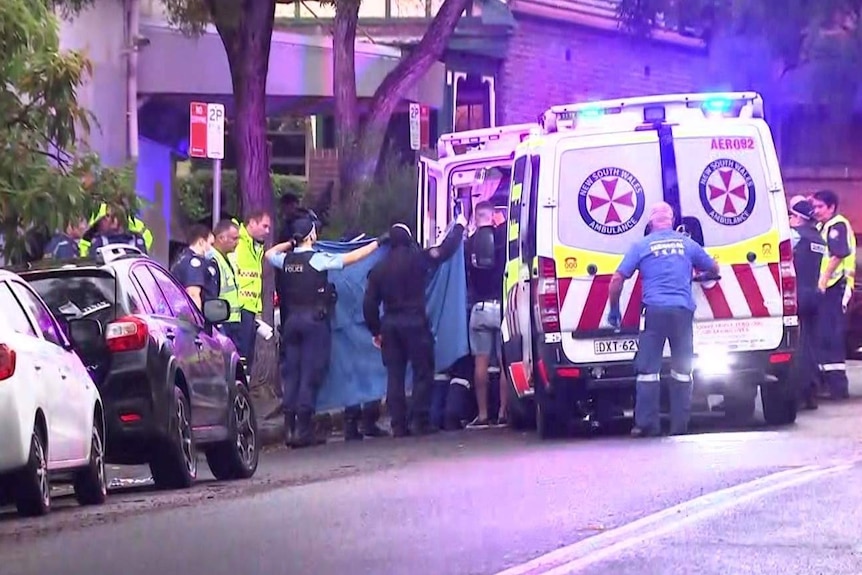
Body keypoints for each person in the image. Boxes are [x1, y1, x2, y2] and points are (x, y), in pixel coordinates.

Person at [265, 217, 383, 448]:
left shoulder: (286, 260)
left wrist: (290, 243)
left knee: (293, 375)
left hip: (291, 323)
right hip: (313, 323)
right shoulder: (318, 259)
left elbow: (269, 254)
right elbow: (351, 258)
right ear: (310, 236)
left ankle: (289, 430)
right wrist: (377, 244)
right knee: (310, 375)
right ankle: (303, 431)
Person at [608, 202, 718, 437]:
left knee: (648, 369)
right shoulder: (687, 243)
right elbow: (714, 268)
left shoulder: (641, 245)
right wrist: (698, 276)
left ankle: (647, 425)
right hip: (682, 312)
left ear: (650, 223)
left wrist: (614, 310)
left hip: (655, 312)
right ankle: (680, 426)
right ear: (672, 220)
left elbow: (617, 279)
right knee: (682, 370)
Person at [362, 216, 467, 437]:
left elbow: (369, 303)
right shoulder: (418, 258)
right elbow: (445, 251)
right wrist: (459, 227)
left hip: (390, 325)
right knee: (422, 372)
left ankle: (398, 424)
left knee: (395, 375)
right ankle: (420, 420)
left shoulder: (379, 269)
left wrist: (376, 330)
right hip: (416, 323)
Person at [338, 229, 386, 442]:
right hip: (366, 324)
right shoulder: (369, 265)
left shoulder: (340, 267)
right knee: (372, 373)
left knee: (353, 377)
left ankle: (353, 423)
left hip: (348, 327)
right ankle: (367, 421)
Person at [464, 201, 509, 429]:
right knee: (504, 363)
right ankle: (503, 412)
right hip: (501, 307)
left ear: (475, 218)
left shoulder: (469, 244)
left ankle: (482, 415)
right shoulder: (502, 240)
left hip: (479, 309)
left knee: (480, 363)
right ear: (492, 216)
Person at [811, 189, 856, 400]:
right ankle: (825, 383)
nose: (817, 210)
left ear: (831, 207)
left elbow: (838, 254)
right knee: (823, 334)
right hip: (827, 287)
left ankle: (838, 387)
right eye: (815, 207)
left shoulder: (837, 225)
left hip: (835, 286)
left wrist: (822, 280)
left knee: (832, 336)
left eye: (821, 207)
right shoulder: (824, 226)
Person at [788, 196, 827, 410]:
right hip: (814, 294)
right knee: (810, 345)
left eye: (792, 215)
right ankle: (812, 390)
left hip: (798, 296)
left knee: (797, 346)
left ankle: (800, 392)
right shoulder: (819, 239)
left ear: (799, 218)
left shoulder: (795, 237)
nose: (790, 219)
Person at [229, 210, 272, 372]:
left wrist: (258, 311)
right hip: (239, 308)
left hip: (250, 309)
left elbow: (253, 280)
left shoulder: (254, 245)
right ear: (252, 223)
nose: (268, 231)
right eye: (264, 226)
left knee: (247, 357)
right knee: (241, 357)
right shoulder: (238, 241)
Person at [209, 219, 243, 346]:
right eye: (234, 239)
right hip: (222, 322)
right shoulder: (212, 260)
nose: (237, 243)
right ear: (221, 238)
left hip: (231, 320)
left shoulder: (226, 258)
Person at [170, 225, 218, 311]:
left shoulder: (182, 258)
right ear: (201, 242)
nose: (212, 249)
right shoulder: (194, 263)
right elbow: (193, 294)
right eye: (211, 244)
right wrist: (197, 320)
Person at [79, 203, 153, 257]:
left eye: (107, 217)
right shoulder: (99, 241)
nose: (101, 222)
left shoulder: (136, 240)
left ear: (116, 220)